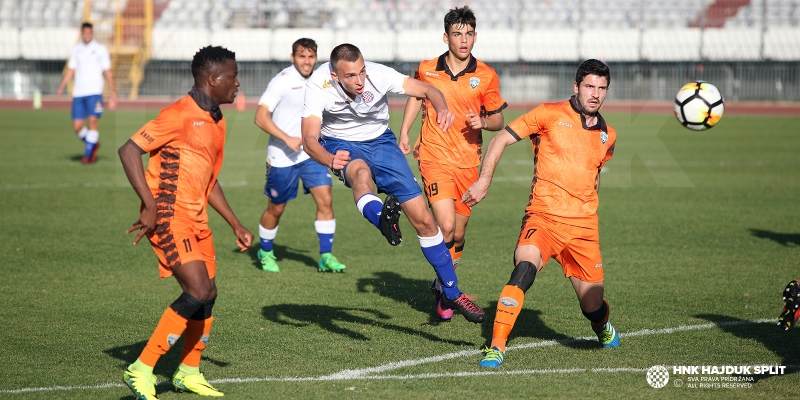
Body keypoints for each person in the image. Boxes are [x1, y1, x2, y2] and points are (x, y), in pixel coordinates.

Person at [301, 43, 485, 323]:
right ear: (336, 76)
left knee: (424, 219)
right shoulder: (318, 85)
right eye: (351, 76)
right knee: (361, 175)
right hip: (341, 144)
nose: (360, 80)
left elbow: (428, 90)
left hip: (382, 142)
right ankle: (383, 221)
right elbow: (309, 139)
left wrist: (442, 107)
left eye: (362, 72)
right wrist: (328, 159)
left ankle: (452, 292)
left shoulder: (378, 74)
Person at [461, 59, 620, 368]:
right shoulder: (548, 113)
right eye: (589, 86)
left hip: (583, 228)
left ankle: (602, 325)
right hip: (543, 218)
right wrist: (484, 181)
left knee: (592, 306)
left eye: (602, 88)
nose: (595, 94)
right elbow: (501, 138)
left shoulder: (608, 135)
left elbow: (592, 177)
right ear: (576, 87)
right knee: (524, 267)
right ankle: (496, 346)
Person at [118, 46, 253, 399]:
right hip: (168, 216)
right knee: (197, 290)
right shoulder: (179, 114)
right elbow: (128, 150)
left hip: (197, 217)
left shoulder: (216, 121)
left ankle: (188, 372)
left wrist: (235, 224)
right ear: (212, 80)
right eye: (233, 76)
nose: (238, 83)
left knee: (208, 295)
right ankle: (141, 368)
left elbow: (208, 180)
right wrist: (148, 205)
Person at [399, 5, 506, 321]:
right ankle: (451, 292)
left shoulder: (486, 75)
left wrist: (483, 123)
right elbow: (417, 97)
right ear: (446, 37)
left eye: (469, 33)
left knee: (457, 235)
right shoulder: (427, 68)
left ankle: (442, 286)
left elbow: (499, 118)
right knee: (444, 226)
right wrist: (405, 132)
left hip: (468, 164)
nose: (464, 39)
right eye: (457, 34)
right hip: (433, 158)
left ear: (475, 37)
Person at [254, 38, 345, 273]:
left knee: (325, 199)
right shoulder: (282, 81)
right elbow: (260, 117)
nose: (307, 61)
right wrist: (287, 138)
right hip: (282, 156)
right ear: (292, 57)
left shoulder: (321, 79)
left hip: (310, 154)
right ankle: (265, 252)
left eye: (311, 56)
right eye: (302, 56)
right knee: (277, 208)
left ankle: (326, 256)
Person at [56, 22, 118, 164]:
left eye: (90, 33)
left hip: (94, 92)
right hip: (79, 92)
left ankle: (87, 155)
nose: (87, 35)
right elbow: (71, 68)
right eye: (85, 33)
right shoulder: (76, 49)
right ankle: (93, 144)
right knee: (77, 126)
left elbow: (106, 70)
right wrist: (62, 85)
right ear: (82, 33)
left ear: (92, 33)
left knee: (92, 121)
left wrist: (113, 90)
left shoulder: (100, 49)